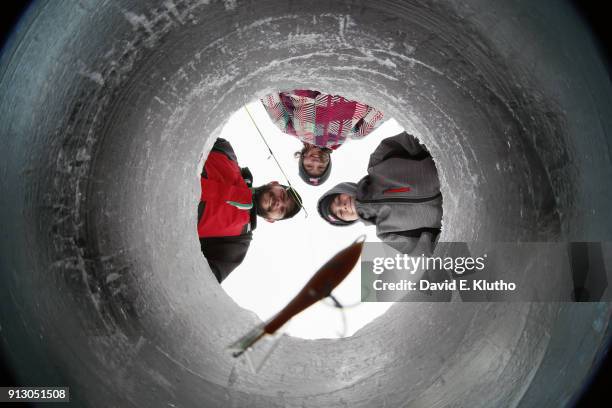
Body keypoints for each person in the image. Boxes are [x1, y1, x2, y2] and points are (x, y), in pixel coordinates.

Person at [317, 132, 442, 255]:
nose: (343, 206)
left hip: (453, 168)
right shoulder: (387, 234)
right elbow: (428, 249)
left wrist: (444, 159)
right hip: (459, 207)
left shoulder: (378, 161)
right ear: (349, 220)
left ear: (344, 188)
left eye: (338, 200)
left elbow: (417, 137)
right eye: (340, 213)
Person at [198, 138, 303, 283]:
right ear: (274, 183)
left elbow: (205, 280)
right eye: (283, 195)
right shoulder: (225, 150)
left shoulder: (238, 242)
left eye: (283, 210)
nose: (279, 202)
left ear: (271, 220)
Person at [261, 89, 384, 186]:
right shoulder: (354, 134)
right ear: (328, 162)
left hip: (307, 82)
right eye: (321, 167)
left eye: (309, 166)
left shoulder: (288, 128)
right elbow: (382, 109)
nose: (316, 162)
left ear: (302, 159)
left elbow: (270, 99)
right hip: (349, 89)